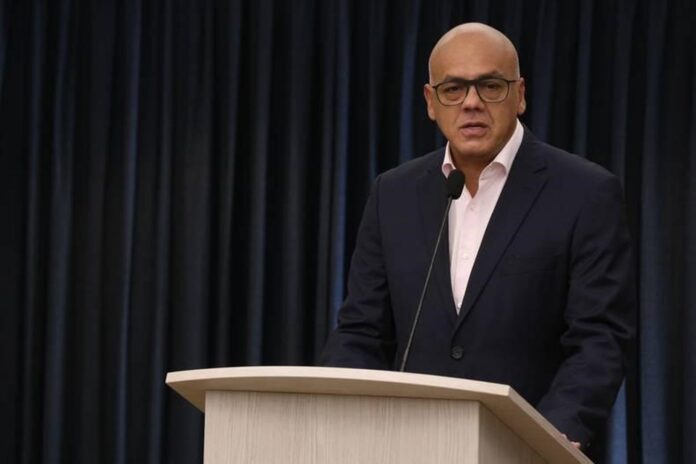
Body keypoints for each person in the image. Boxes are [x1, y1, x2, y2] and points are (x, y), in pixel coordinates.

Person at [320, 22, 635, 450]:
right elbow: (361, 332)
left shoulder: (585, 192)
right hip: (408, 447)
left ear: (520, 95)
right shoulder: (392, 194)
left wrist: (545, 437)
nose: (471, 103)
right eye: (453, 89)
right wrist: (348, 421)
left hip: (528, 451)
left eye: (490, 86)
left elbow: (600, 339)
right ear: (431, 102)